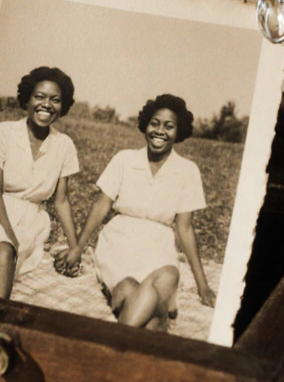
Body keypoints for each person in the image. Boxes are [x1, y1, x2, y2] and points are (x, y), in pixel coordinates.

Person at [57, 94, 215, 329]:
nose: (159, 131)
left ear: (178, 131)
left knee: (169, 274)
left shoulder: (187, 171)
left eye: (169, 126)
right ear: (145, 125)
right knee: (141, 302)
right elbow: (101, 205)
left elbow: (185, 227)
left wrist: (203, 285)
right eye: (154, 123)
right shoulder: (125, 159)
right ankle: (159, 317)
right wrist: (78, 247)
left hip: (158, 245)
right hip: (120, 240)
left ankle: (122, 335)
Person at [0, 67, 81, 299]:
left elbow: (61, 201)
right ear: (27, 99)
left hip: (31, 222)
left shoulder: (65, 145)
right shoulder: (4, 132)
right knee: (3, 250)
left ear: (64, 105)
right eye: (39, 97)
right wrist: (10, 236)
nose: (46, 104)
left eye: (55, 100)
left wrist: (75, 247)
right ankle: (2, 315)